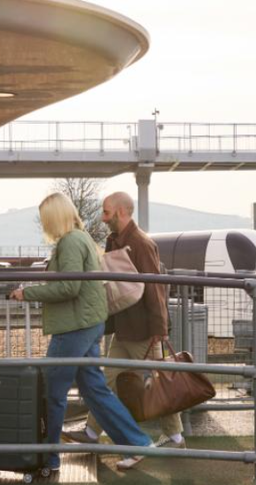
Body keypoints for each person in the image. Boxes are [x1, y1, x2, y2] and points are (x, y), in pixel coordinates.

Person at [10, 193, 154, 473]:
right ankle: (137, 443)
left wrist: (27, 293)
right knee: (95, 389)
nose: (44, 224)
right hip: (87, 323)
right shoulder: (81, 237)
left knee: (54, 391)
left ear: (55, 217)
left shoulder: (70, 242)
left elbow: (69, 287)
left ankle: (50, 458)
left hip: (73, 327)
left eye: (45, 219)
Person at [63, 191, 185, 451]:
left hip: (143, 330)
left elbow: (155, 287)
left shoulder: (140, 243)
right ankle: (91, 431)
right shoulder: (117, 240)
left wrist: (159, 328)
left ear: (120, 212)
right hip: (125, 327)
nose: (103, 217)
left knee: (157, 382)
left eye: (106, 212)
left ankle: (175, 438)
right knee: (108, 380)